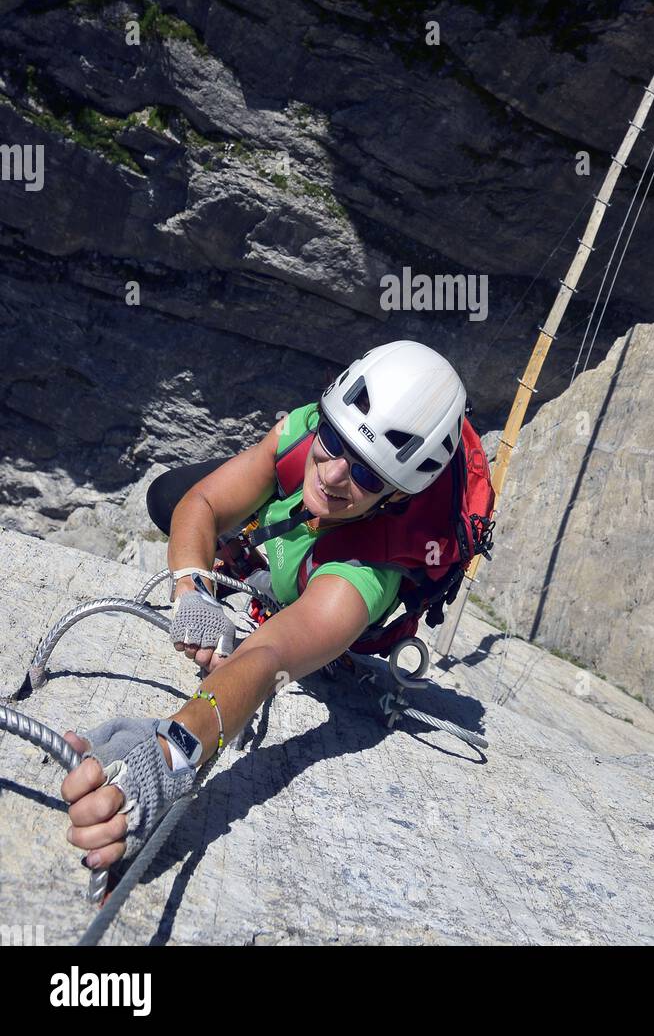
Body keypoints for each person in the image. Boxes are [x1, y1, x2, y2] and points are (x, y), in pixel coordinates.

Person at [62, 340, 467, 874]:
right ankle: (256, 555)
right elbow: (199, 503)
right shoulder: (306, 433)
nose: (333, 474)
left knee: (265, 582)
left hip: (322, 579)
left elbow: (268, 656)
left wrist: (173, 751)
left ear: (395, 496)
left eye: (367, 474)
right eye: (333, 442)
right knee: (167, 498)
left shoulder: (365, 577)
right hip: (286, 533)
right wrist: (193, 594)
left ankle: (266, 571)